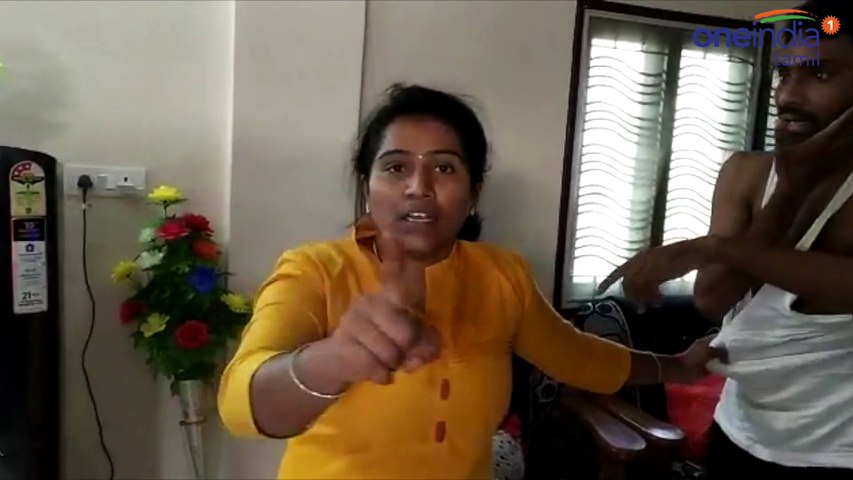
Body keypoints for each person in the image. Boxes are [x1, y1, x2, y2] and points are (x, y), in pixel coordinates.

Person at [217, 84, 721, 479]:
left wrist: (677, 366)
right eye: (396, 167)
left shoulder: (503, 274)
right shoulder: (315, 270)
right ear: (367, 185)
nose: (419, 187)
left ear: (474, 191)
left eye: (443, 167)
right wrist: (334, 360)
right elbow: (240, 403)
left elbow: (579, 357)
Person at [597, 1, 853, 477]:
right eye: (784, 74)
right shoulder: (746, 173)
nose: (789, 96)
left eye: (820, 75)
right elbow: (713, 297)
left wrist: (708, 247)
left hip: (836, 453)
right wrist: (790, 189)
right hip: (739, 431)